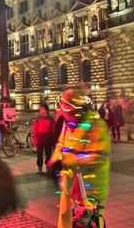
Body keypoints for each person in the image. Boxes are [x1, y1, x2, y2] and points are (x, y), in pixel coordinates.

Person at [47, 89, 111, 228]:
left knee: (90, 221)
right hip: (70, 181)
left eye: (68, 112)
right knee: (65, 215)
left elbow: (98, 156)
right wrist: (55, 157)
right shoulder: (67, 124)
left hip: (91, 186)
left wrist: (67, 161)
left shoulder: (97, 125)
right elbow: (60, 144)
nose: (66, 116)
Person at [32, 104, 55, 173]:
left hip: (48, 139)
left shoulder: (51, 119)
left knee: (48, 154)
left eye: (42, 108)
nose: (41, 110)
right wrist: (34, 138)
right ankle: (39, 167)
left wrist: (52, 139)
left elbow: (53, 130)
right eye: (40, 108)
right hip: (39, 139)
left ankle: (48, 166)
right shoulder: (38, 119)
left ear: (46, 110)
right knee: (39, 154)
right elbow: (34, 129)